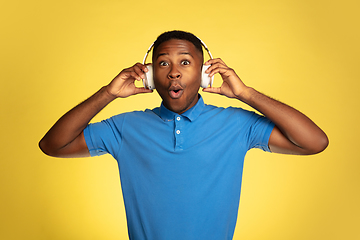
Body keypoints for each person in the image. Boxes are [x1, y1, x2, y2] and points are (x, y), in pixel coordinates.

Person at [39, 30, 328, 240]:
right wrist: (107, 94)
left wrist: (246, 94)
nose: (174, 72)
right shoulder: (124, 128)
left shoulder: (237, 124)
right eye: (163, 63)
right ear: (151, 76)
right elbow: (52, 144)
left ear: (205, 73)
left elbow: (315, 141)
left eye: (186, 63)